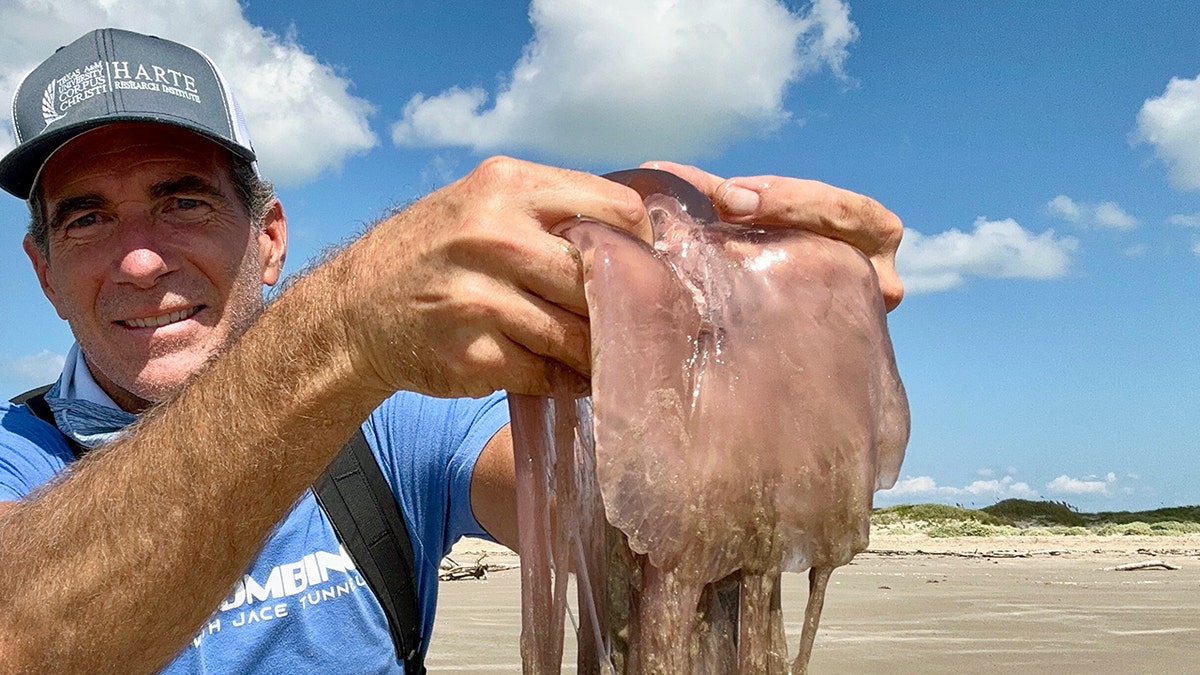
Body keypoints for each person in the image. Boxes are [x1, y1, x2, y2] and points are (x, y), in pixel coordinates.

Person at [0, 28, 905, 674]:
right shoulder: (13, 456)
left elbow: (626, 515)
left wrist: (737, 339)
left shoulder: (386, 432)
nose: (143, 256)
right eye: (86, 218)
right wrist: (346, 322)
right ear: (43, 270)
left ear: (269, 238)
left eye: (183, 199)